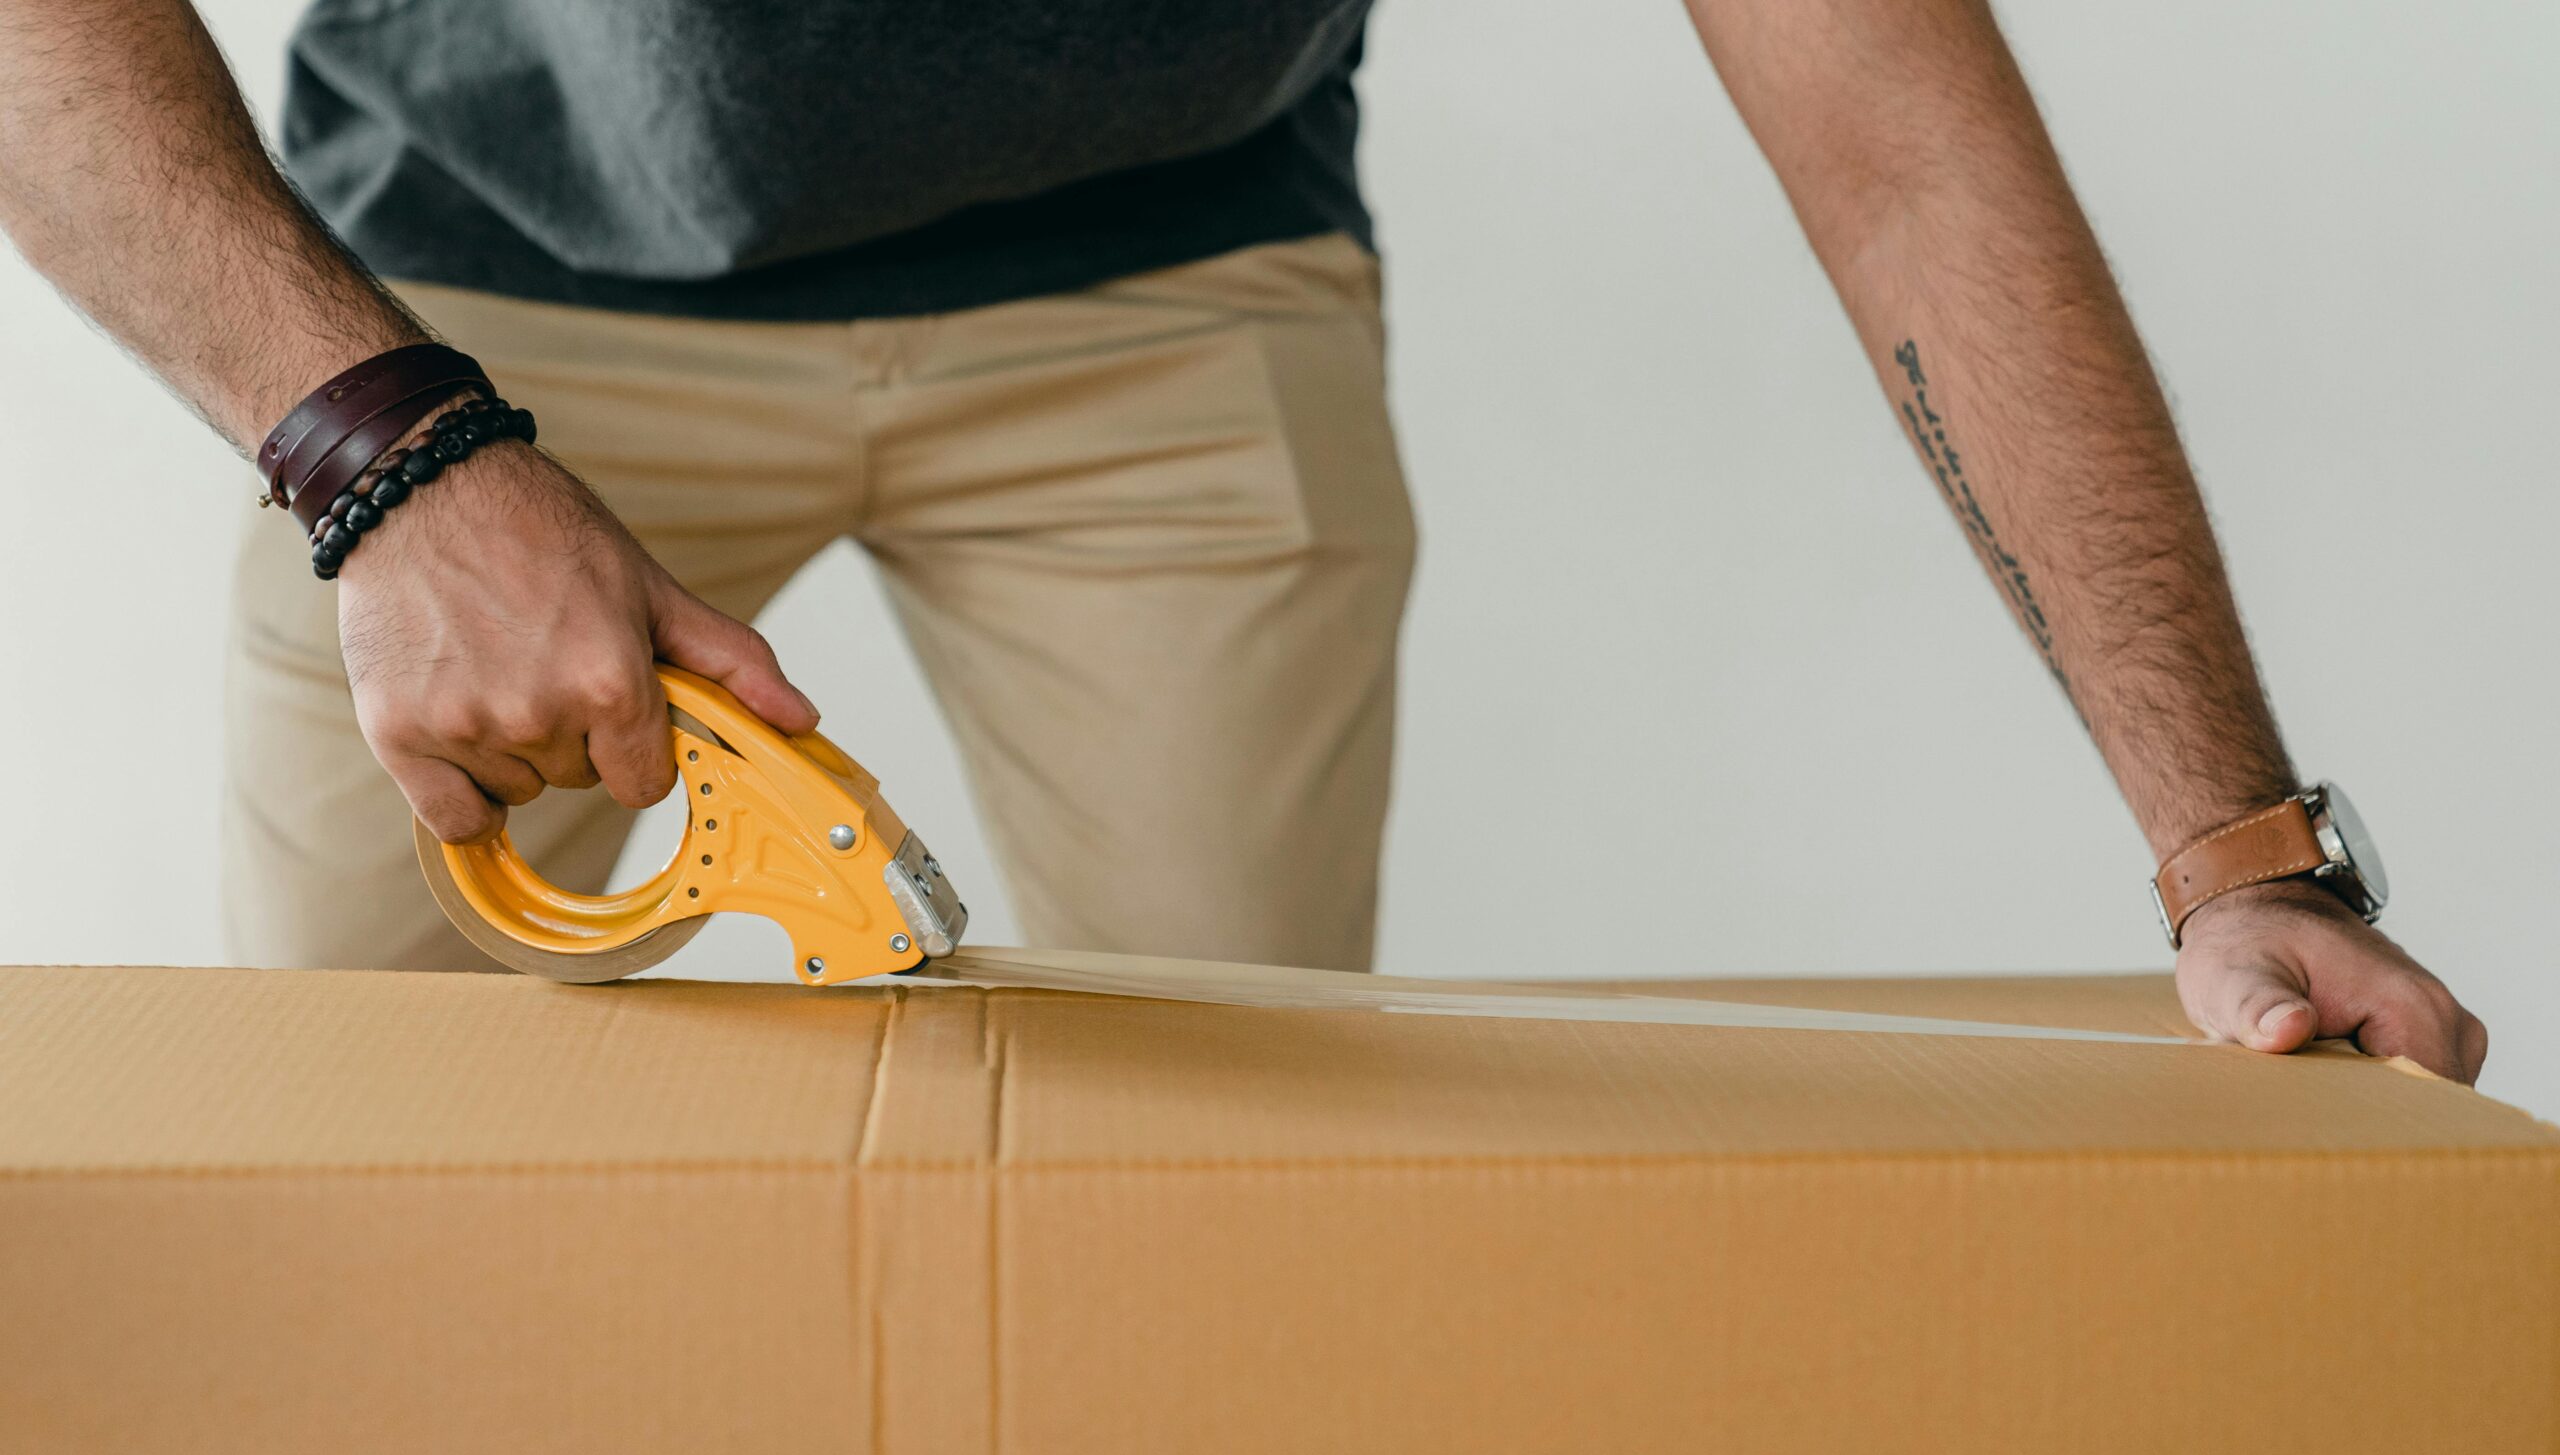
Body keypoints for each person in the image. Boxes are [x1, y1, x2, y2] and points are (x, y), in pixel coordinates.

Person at [0, 0, 2486, 1080]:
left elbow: (1906, 147)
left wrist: (2235, 855)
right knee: (362, 1134)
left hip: (1170, 294)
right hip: (475, 303)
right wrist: (385, 455)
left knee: (1220, 1166)